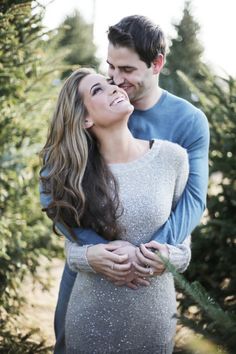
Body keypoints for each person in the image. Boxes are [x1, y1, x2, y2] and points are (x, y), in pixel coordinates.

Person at [39, 15, 209, 353]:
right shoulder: (93, 106)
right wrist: (93, 250)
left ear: (156, 64)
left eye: (126, 70)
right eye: (110, 67)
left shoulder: (187, 122)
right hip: (93, 271)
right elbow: (53, 186)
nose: (116, 79)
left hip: (149, 277)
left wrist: (144, 256)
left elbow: (192, 200)